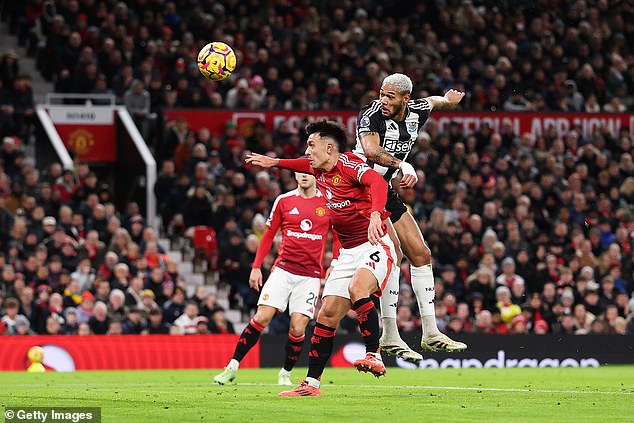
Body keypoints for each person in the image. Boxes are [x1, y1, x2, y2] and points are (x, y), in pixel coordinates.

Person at [246, 120, 397, 397]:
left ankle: (374, 354)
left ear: (329, 148)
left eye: (311, 145)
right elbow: (300, 165)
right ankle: (311, 384)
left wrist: (376, 213)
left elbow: (376, 181)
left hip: (373, 242)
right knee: (326, 314)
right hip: (347, 253)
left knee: (357, 289)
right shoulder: (318, 169)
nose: (307, 150)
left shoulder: (350, 165)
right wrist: (275, 162)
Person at [354, 73, 467, 354]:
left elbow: (433, 102)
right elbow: (370, 149)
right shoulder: (371, 115)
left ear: (405, 98)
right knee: (395, 251)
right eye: (381, 93)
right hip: (360, 186)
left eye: (390, 96)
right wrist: (403, 166)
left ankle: (430, 332)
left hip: (383, 188)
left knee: (421, 253)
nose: (383, 100)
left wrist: (449, 101)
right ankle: (389, 334)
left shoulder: (416, 110)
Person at [214, 171, 332, 386]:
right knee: (261, 317)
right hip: (283, 270)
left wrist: (334, 262)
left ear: (316, 176)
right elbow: (269, 234)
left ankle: (285, 374)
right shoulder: (284, 201)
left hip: (310, 276)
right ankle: (231, 367)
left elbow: (340, 233)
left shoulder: (327, 202)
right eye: (300, 172)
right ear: (295, 176)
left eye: (309, 172)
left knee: (297, 328)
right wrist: (256, 266)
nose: (304, 176)